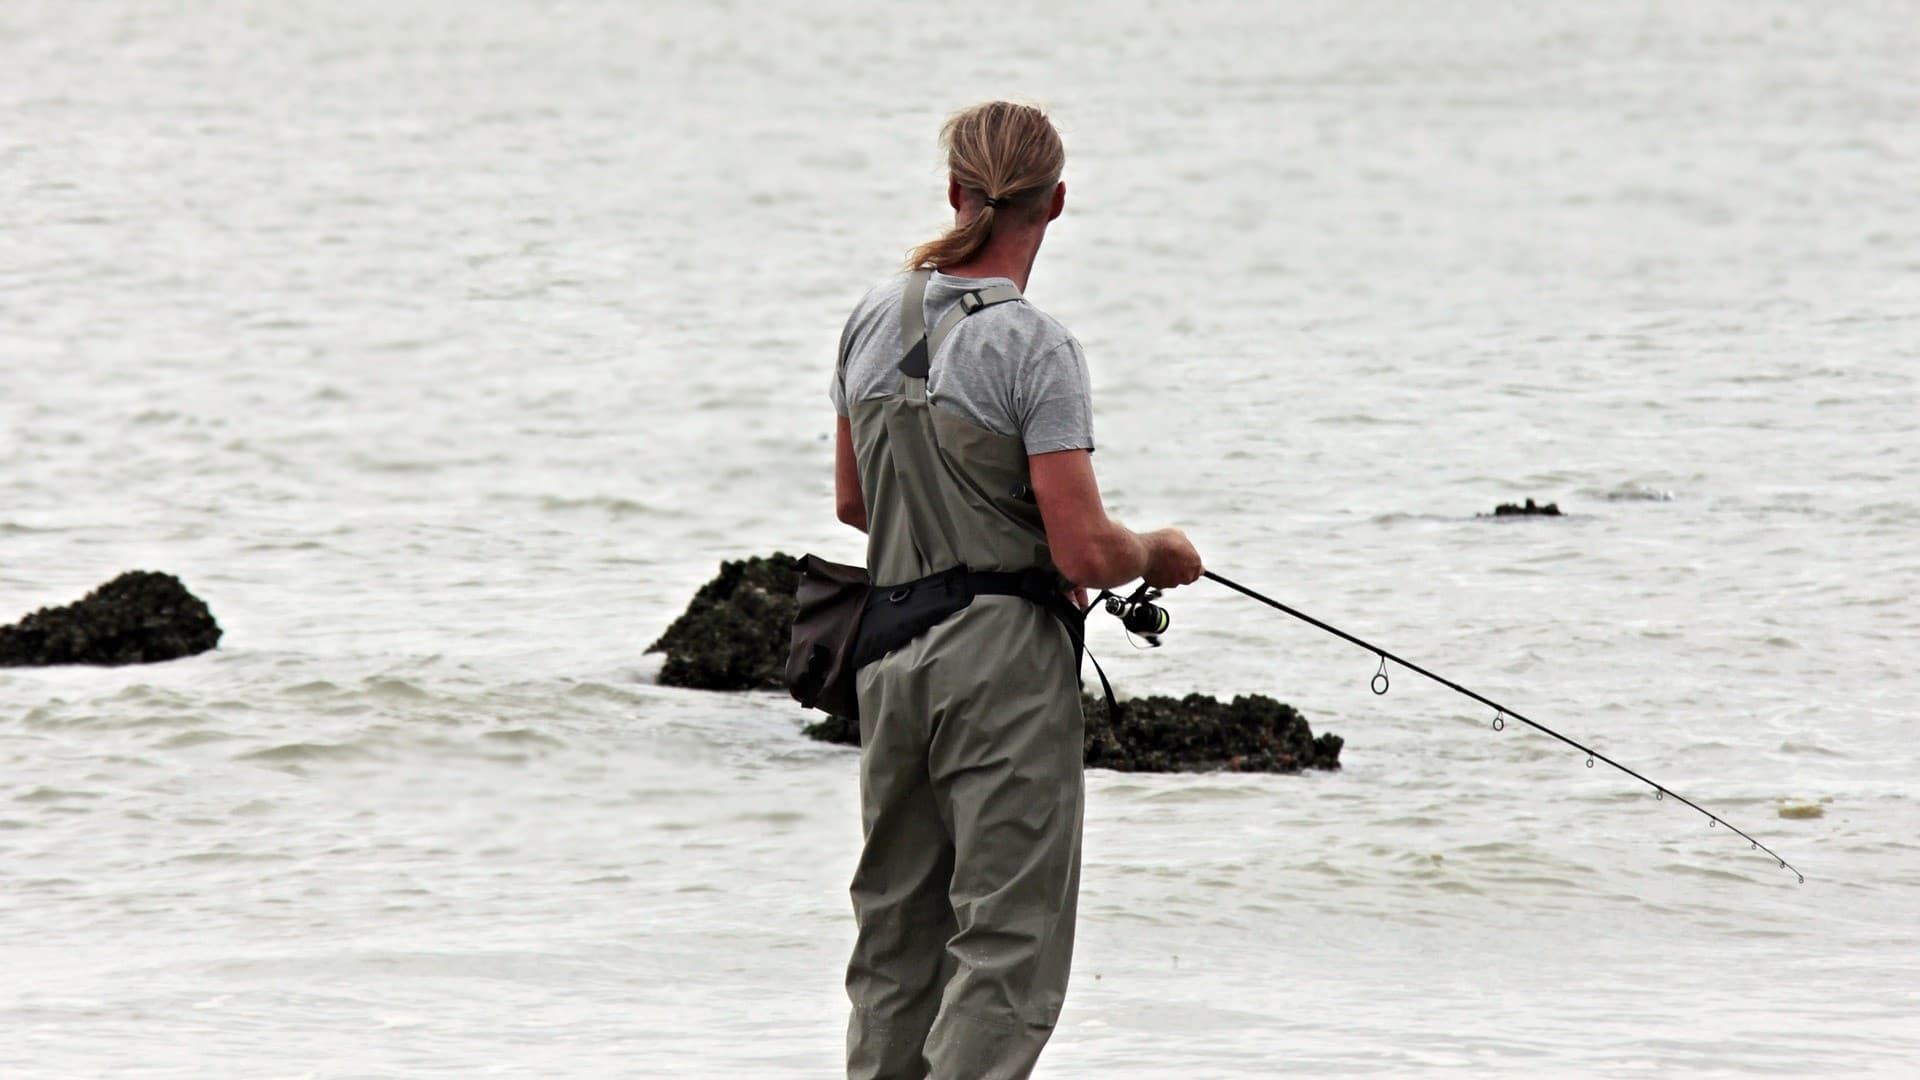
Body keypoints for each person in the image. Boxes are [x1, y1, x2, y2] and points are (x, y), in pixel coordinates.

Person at [829, 100, 1204, 1080]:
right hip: (1001, 670)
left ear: (955, 190)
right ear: (1058, 202)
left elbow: (853, 504)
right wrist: (1156, 551)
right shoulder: (1036, 347)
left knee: (894, 946)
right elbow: (1084, 552)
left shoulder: (873, 318)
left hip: (889, 654)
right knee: (1006, 945)